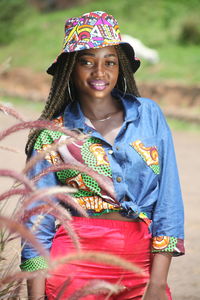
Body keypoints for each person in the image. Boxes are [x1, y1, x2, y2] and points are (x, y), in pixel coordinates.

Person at [21, 11, 185, 300]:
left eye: (109, 62)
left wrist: (158, 282)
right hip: (73, 269)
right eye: (87, 62)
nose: (100, 72)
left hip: (142, 266)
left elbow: (168, 199)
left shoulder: (148, 115)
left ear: (120, 67)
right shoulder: (52, 135)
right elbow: (38, 222)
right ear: (70, 68)